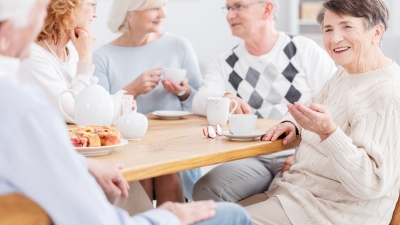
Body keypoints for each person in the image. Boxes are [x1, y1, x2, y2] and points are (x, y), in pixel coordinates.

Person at [0, 0, 252, 224]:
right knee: (235, 215)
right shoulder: (27, 103)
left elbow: (77, 126)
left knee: (159, 176)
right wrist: (169, 216)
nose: (95, 15)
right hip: (102, 170)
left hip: (95, 158)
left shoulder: (63, 59)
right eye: (91, 6)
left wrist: (84, 164)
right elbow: (83, 115)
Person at [238, 0, 400, 224]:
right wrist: (293, 124)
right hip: (298, 195)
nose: (335, 39)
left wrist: (329, 134)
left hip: (333, 213)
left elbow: (371, 183)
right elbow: (313, 104)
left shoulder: (388, 93)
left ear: (376, 32)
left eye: (347, 27)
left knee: (215, 219)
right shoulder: (346, 73)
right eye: (328, 29)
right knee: (214, 212)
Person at [192, 0, 337, 203]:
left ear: (267, 9)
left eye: (238, 6)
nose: (229, 15)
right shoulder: (225, 63)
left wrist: (308, 157)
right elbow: (198, 101)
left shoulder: (302, 50)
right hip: (253, 156)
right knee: (206, 189)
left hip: (301, 153)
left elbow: (336, 103)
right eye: (228, 8)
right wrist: (224, 97)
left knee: (280, 198)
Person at [15, 0, 146, 215]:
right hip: (57, 158)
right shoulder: (33, 56)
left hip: (82, 150)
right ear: (68, 8)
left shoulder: (71, 50)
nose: (95, 15)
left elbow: (92, 108)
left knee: (130, 180)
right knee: (123, 182)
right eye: (91, 5)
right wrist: (86, 59)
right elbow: (76, 112)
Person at [93, 0, 202, 204]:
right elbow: (98, 117)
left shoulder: (178, 45)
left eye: (163, 5)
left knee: (168, 176)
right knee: (140, 177)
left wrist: (184, 92)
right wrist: (131, 90)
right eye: (154, 8)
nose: (163, 13)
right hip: (128, 148)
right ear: (129, 13)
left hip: (176, 146)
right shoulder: (103, 56)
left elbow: (200, 101)